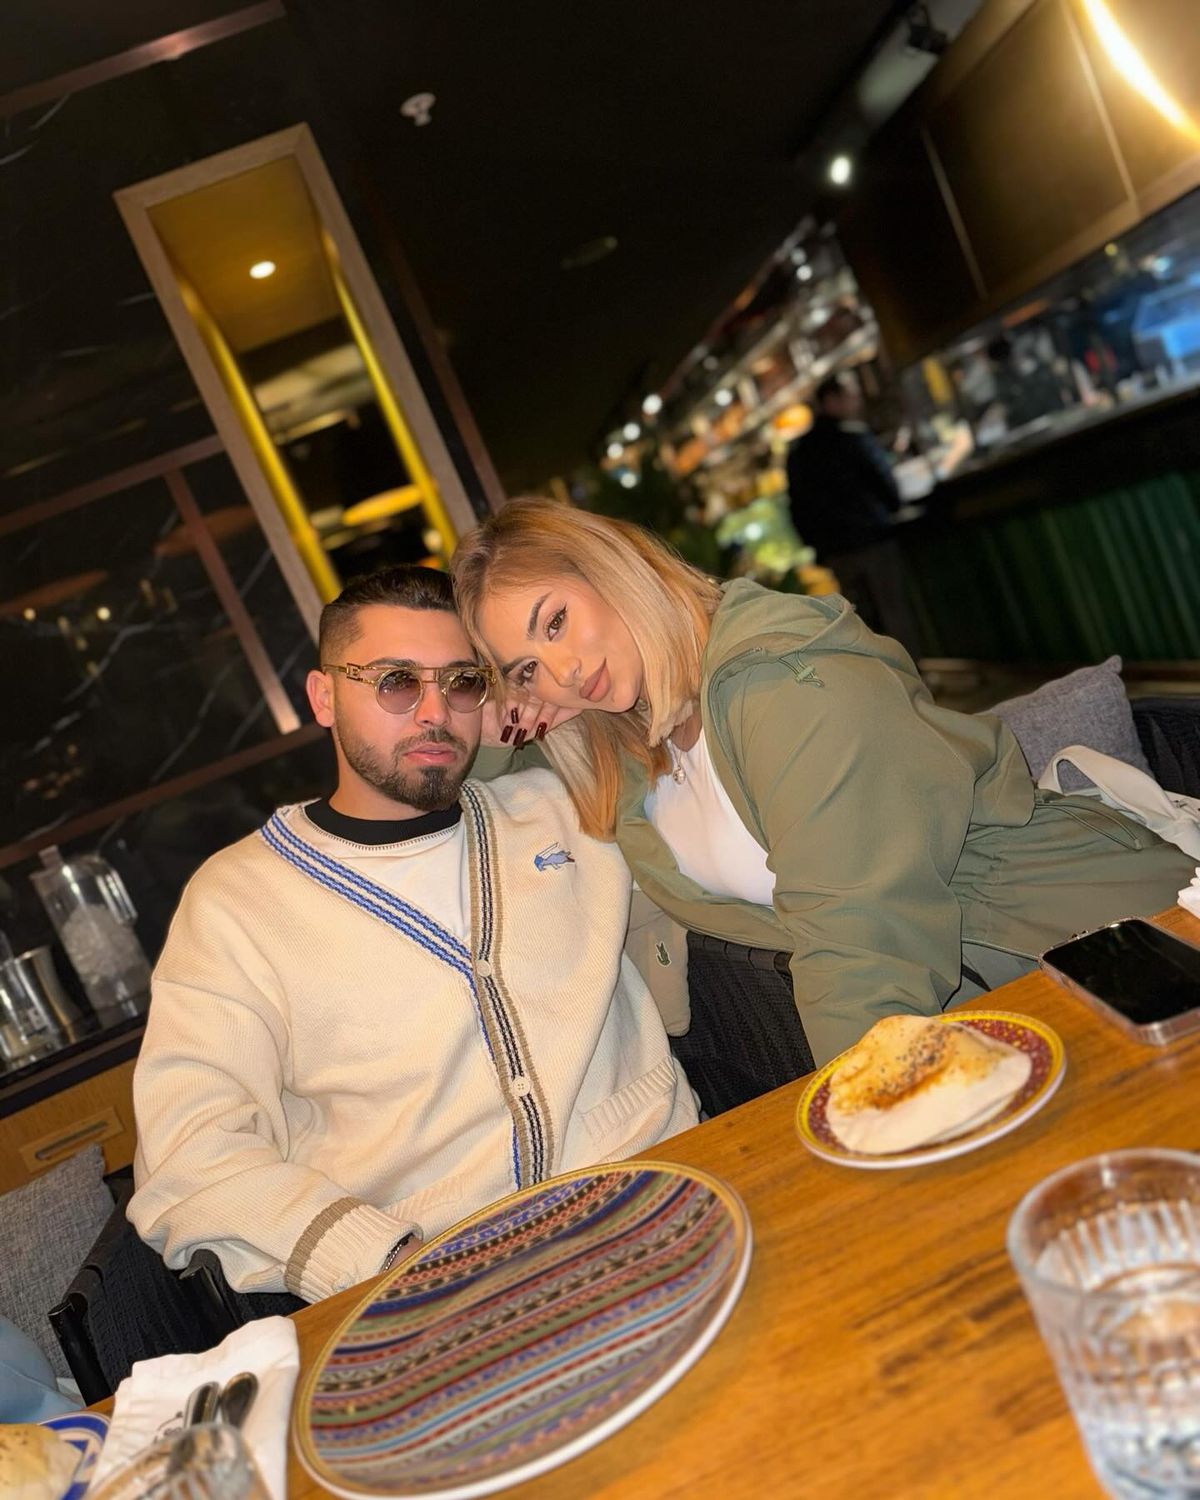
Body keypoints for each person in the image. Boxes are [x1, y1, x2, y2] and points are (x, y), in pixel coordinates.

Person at [452, 500, 1192, 1101]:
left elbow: (860, 929)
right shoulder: (637, 736)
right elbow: (455, 792)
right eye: (527, 668)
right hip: (993, 1004)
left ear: (614, 572)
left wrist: (865, 1104)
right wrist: (490, 717)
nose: (563, 672)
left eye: (556, 622)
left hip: (1105, 955)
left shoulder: (787, 684)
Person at [128, 565, 697, 1302]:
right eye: (396, 682)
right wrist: (383, 1258)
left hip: (661, 1195)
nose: (434, 712)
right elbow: (187, 1154)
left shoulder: (565, 803)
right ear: (324, 697)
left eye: (461, 682)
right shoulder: (237, 904)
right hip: (448, 1286)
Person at [786, 372, 921, 658]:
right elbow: (884, 483)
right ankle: (911, 674)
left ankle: (878, 678)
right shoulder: (853, 437)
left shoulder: (798, 453)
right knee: (894, 612)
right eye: (849, 396)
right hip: (873, 539)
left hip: (837, 551)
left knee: (863, 622)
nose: (855, 402)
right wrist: (893, 508)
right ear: (831, 400)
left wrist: (817, 547)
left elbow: (797, 507)